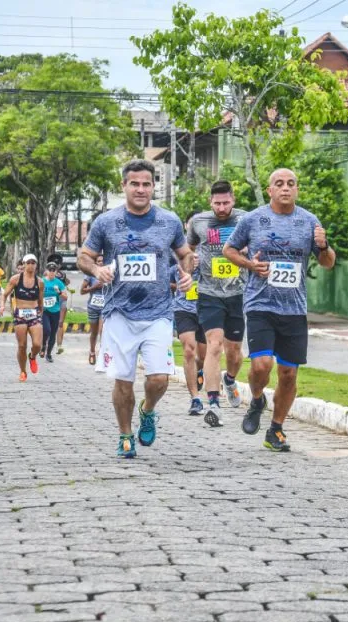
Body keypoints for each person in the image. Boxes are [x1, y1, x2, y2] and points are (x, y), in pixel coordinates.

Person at [78, 159, 193, 459]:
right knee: (123, 380)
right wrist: (97, 269)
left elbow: (185, 254)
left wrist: (187, 273)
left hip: (158, 312)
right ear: (124, 186)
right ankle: (125, 434)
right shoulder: (106, 222)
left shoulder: (169, 221)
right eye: (135, 184)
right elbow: (83, 257)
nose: (141, 189)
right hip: (119, 312)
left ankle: (148, 409)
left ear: (154, 186)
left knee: (159, 379)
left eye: (146, 184)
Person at [223, 169, 336, 452]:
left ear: (297, 189)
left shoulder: (310, 221)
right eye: (279, 184)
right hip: (260, 303)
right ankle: (258, 398)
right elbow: (229, 250)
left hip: (294, 308)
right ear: (270, 189)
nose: (285, 188)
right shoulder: (252, 219)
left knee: (288, 374)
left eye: (291, 184)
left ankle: (276, 429)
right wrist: (250, 265)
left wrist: (323, 245)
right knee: (262, 366)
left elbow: (327, 262)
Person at [187, 181, 247, 428]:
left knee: (233, 351)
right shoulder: (199, 222)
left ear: (233, 199)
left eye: (226, 202)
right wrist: (191, 260)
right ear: (210, 202)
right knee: (214, 345)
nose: (222, 208)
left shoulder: (246, 219)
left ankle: (230, 379)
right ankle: (213, 403)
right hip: (209, 292)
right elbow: (188, 248)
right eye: (217, 203)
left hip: (239, 292)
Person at [171, 252, 207, 416]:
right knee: (188, 350)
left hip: (206, 309)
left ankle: (198, 370)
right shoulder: (181, 250)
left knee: (203, 356)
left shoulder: (210, 245)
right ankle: (195, 399)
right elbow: (170, 280)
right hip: (183, 309)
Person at [1, 254, 44, 382]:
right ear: (24, 264)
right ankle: (23, 371)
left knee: (37, 344)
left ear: (36, 265)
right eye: (28, 262)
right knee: (22, 346)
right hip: (20, 314)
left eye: (33, 263)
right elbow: (4, 294)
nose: (31, 265)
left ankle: (32, 356)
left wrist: (41, 313)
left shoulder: (40, 282)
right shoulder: (15, 279)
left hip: (34, 313)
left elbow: (40, 300)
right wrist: (2, 306)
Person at [80, 256, 107, 367]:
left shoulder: (109, 274)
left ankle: (102, 355)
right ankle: (92, 352)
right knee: (94, 333)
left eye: (102, 261)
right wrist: (94, 287)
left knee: (103, 332)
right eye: (98, 261)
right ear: (95, 263)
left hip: (105, 308)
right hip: (93, 307)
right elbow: (82, 291)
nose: (100, 263)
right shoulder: (90, 275)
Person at [41, 262, 68, 362]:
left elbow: (66, 297)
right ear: (46, 271)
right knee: (46, 330)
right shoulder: (41, 281)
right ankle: (43, 345)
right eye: (50, 270)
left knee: (53, 333)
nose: (52, 272)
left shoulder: (59, 283)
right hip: (44, 310)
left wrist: (59, 292)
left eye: (54, 270)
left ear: (56, 272)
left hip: (55, 310)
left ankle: (48, 354)